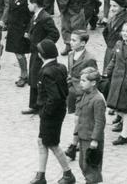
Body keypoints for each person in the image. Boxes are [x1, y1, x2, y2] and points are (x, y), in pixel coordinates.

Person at [29, 39, 74, 184]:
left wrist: (44, 112)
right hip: (58, 111)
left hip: (51, 114)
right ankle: (40, 175)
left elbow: (53, 97)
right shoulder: (60, 67)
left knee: (52, 144)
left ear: (42, 55)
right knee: (42, 141)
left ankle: (68, 174)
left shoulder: (46, 71)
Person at [23, 0, 60, 115]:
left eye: (29, 3)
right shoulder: (36, 16)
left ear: (34, 4)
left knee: (39, 78)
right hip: (35, 52)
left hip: (41, 54)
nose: (27, 6)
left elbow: (54, 34)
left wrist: (42, 46)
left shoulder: (45, 17)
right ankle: (34, 104)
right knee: (33, 78)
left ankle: (39, 104)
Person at [68, 67, 107, 184]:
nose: (80, 83)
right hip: (83, 135)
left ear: (93, 83)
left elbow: (100, 122)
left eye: (84, 81)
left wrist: (95, 140)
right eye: (80, 80)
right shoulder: (86, 94)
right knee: (83, 164)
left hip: (91, 139)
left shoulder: (98, 99)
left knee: (92, 167)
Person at [4, 0, 32, 87]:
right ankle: (24, 74)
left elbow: (31, 17)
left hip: (21, 30)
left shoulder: (26, 0)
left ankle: (24, 75)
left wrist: (28, 31)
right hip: (13, 30)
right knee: (17, 53)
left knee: (20, 53)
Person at [66, 30, 97, 116]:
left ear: (83, 43)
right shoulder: (70, 54)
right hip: (71, 91)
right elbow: (70, 71)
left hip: (82, 92)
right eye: (70, 40)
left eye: (74, 40)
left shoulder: (89, 58)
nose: (70, 42)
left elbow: (94, 77)